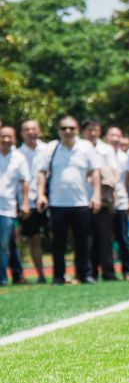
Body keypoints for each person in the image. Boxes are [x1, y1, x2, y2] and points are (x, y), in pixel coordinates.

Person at [37, 116, 101, 284]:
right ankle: (58, 276)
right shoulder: (51, 148)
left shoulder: (85, 147)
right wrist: (40, 194)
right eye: (64, 128)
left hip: (80, 203)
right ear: (59, 131)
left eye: (71, 128)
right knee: (58, 244)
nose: (68, 131)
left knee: (82, 243)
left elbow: (95, 172)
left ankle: (84, 275)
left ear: (77, 130)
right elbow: (41, 172)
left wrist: (96, 195)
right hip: (57, 204)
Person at [81, 118, 119, 281]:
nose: (93, 133)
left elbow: (114, 173)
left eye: (96, 130)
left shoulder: (107, 149)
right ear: (84, 131)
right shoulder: (79, 147)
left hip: (103, 201)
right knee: (87, 239)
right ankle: (89, 273)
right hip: (82, 199)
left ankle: (108, 272)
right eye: (90, 130)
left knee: (105, 238)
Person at [17, 119, 47, 284]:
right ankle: (40, 275)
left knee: (58, 237)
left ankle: (60, 274)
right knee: (33, 239)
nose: (30, 132)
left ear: (40, 130)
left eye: (34, 128)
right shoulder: (17, 153)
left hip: (51, 200)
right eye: (26, 129)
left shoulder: (48, 149)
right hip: (27, 203)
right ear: (21, 133)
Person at [0, 125, 30, 286]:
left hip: (7, 208)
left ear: (14, 138)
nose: (5, 139)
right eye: (3, 136)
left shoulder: (19, 157)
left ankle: (2, 278)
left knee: (3, 245)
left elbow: (25, 181)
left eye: (9, 136)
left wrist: (25, 203)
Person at [104, 125, 129, 278]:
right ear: (106, 137)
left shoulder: (125, 157)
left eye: (117, 135)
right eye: (111, 135)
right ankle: (108, 272)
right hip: (105, 203)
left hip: (121, 202)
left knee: (123, 239)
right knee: (105, 239)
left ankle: (127, 270)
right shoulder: (100, 154)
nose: (115, 139)